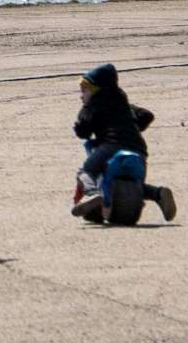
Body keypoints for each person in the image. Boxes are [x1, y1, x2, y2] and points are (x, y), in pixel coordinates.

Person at [69, 63, 175, 224]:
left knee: (87, 172)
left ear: (96, 90)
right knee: (138, 185)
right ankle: (158, 194)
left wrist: (81, 127)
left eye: (84, 91)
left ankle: (92, 193)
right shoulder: (124, 105)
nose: (81, 96)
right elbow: (147, 115)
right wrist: (133, 126)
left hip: (111, 145)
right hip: (138, 147)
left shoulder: (92, 104)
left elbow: (83, 131)